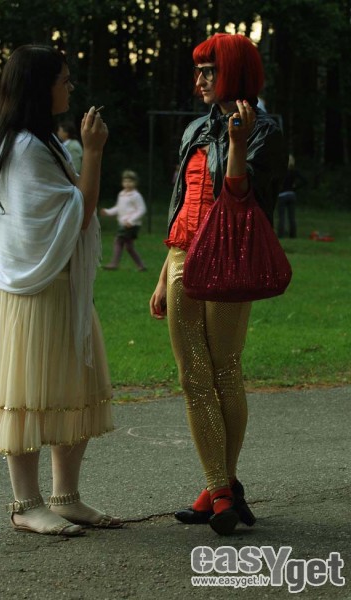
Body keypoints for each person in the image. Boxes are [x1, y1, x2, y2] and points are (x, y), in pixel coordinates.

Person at [0, 44, 121, 536]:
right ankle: (26, 504)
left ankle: (65, 497)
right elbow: (79, 213)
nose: (70, 87)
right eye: (64, 79)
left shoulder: (42, 142)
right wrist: (94, 152)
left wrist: (87, 154)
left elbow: (72, 205)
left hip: (62, 289)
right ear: (41, 88)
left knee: (69, 390)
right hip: (30, 293)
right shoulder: (23, 148)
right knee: (27, 398)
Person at [149, 33, 287, 536]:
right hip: (182, 258)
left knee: (225, 368)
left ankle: (219, 489)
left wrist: (237, 144)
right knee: (192, 375)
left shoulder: (266, 131)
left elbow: (242, 198)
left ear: (235, 72)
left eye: (210, 70)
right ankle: (221, 486)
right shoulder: (194, 130)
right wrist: (164, 272)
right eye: (199, 70)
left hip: (228, 259)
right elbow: (181, 203)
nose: (201, 80)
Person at [100, 169, 147, 271]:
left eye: (130, 181)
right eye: (125, 181)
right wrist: (108, 212)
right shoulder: (122, 194)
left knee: (118, 241)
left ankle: (114, 264)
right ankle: (141, 266)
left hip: (131, 224)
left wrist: (131, 221)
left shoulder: (136, 196)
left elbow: (141, 209)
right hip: (124, 224)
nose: (127, 183)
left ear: (135, 183)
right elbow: (118, 208)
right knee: (129, 246)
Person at [277, 154, 306, 238]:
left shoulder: (281, 171)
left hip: (282, 195)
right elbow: (304, 181)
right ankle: (293, 235)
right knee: (292, 217)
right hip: (291, 195)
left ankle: (281, 234)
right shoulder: (294, 172)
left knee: (282, 217)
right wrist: (295, 188)